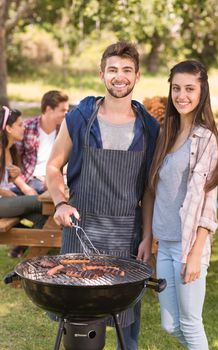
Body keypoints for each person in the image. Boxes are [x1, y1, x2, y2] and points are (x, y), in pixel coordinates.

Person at [46, 41, 160, 349]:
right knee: (78, 328)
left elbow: (149, 190)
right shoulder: (79, 119)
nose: (119, 77)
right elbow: (54, 167)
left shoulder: (150, 129)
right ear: (101, 74)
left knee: (127, 330)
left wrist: (147, 236)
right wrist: (60, 202)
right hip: (80, 228)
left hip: (126, 235)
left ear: (137, 76)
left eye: (126, 70)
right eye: (112, 70)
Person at [144, 60, 218, 349]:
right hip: (164, 244)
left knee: (190, 324)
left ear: (202, 92)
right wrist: (148, 239)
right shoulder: (166, 133)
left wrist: (195, 254)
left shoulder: (206, 140)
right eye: (176, 88)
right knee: (169, 324)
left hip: (188, 245)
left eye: (190, 89)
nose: (182, 95)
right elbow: (154, 189)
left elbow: (207, 204)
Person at [0, 106, 42, 256]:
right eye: (19, 124)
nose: (24, 128)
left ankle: (35, 256)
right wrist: (5, 192)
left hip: (7, 201)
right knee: (42, 203)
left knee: (44, 216)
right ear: (8, 129)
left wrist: (32, 193)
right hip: (2, 201)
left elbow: (22, 184)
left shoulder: (10, 150)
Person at [16, 90, 69, 194]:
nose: (66, 114)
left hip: (58, 176)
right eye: (63, 110)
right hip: (33, 178)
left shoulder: (65, 130)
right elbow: (15, 157)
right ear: (49, 109)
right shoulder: (27, 127)